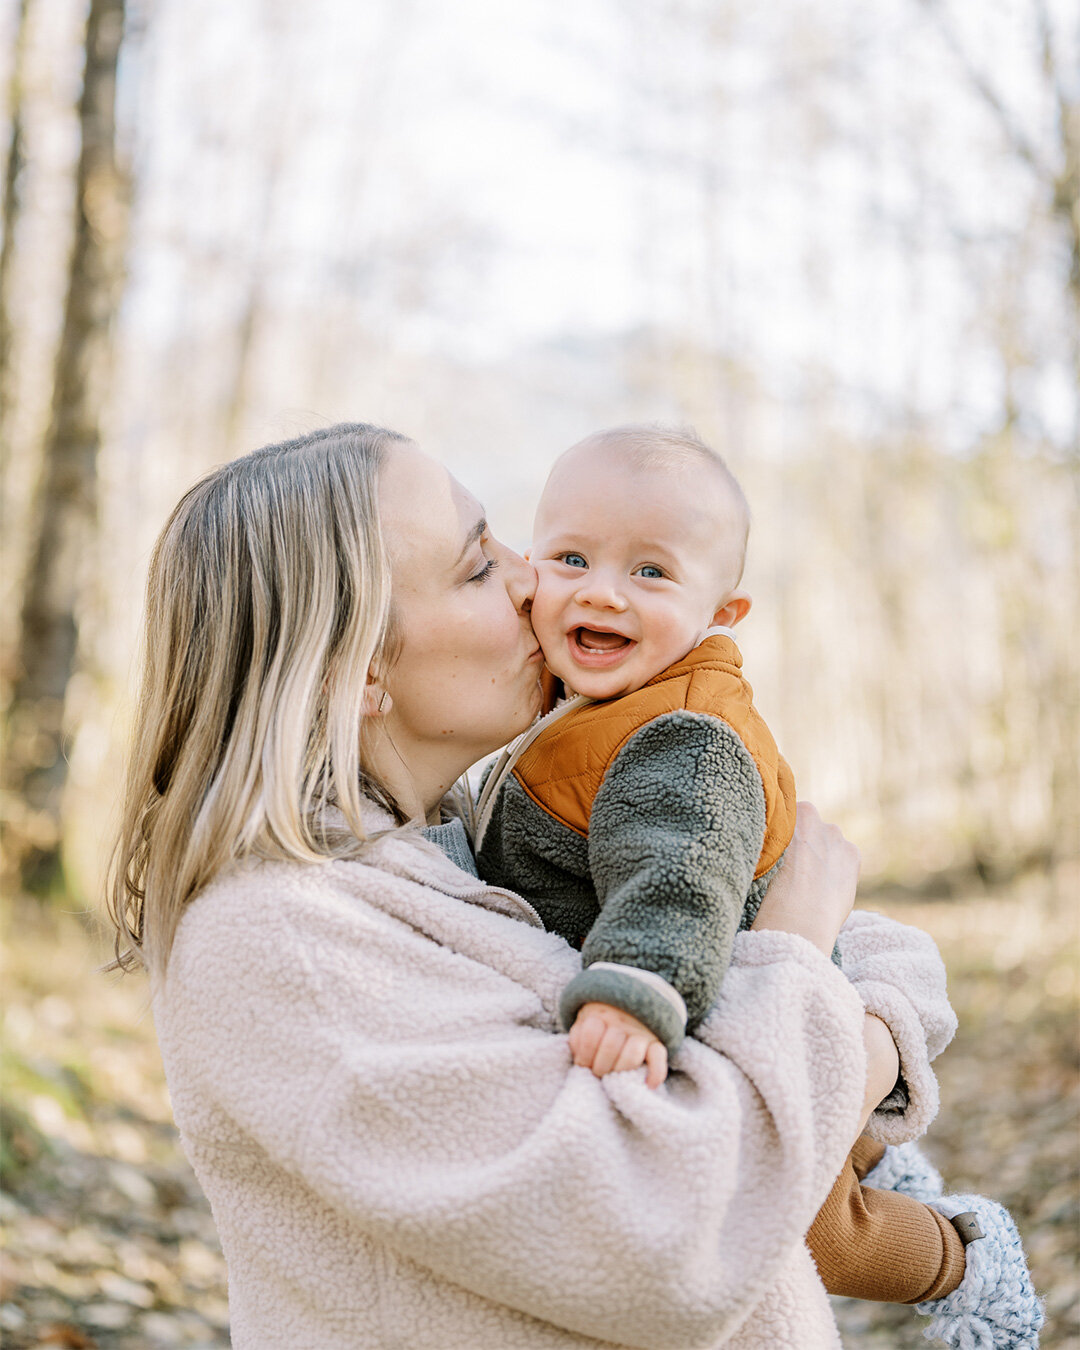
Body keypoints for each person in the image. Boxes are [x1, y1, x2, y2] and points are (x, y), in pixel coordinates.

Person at [106, 423, 1017, 1349]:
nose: (535, 580)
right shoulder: (285, 940)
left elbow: (811, 932)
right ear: (357, 670)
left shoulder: (448, 848)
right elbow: (668, 1234)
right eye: (476, 568)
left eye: (502, 541)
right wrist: (817, 968)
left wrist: (833, 960)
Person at [474, 422, 1043, 1341]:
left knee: (803, 1239)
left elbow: (680, 880)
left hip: (735, 1021)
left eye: (651, 573)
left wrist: (638, 989)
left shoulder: (682, 736)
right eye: (572, 556)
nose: (604, 591)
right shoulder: (595, 698)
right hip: (739, 1023)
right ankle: (872, 1155)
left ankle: (966, 1255)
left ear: (721, 614)